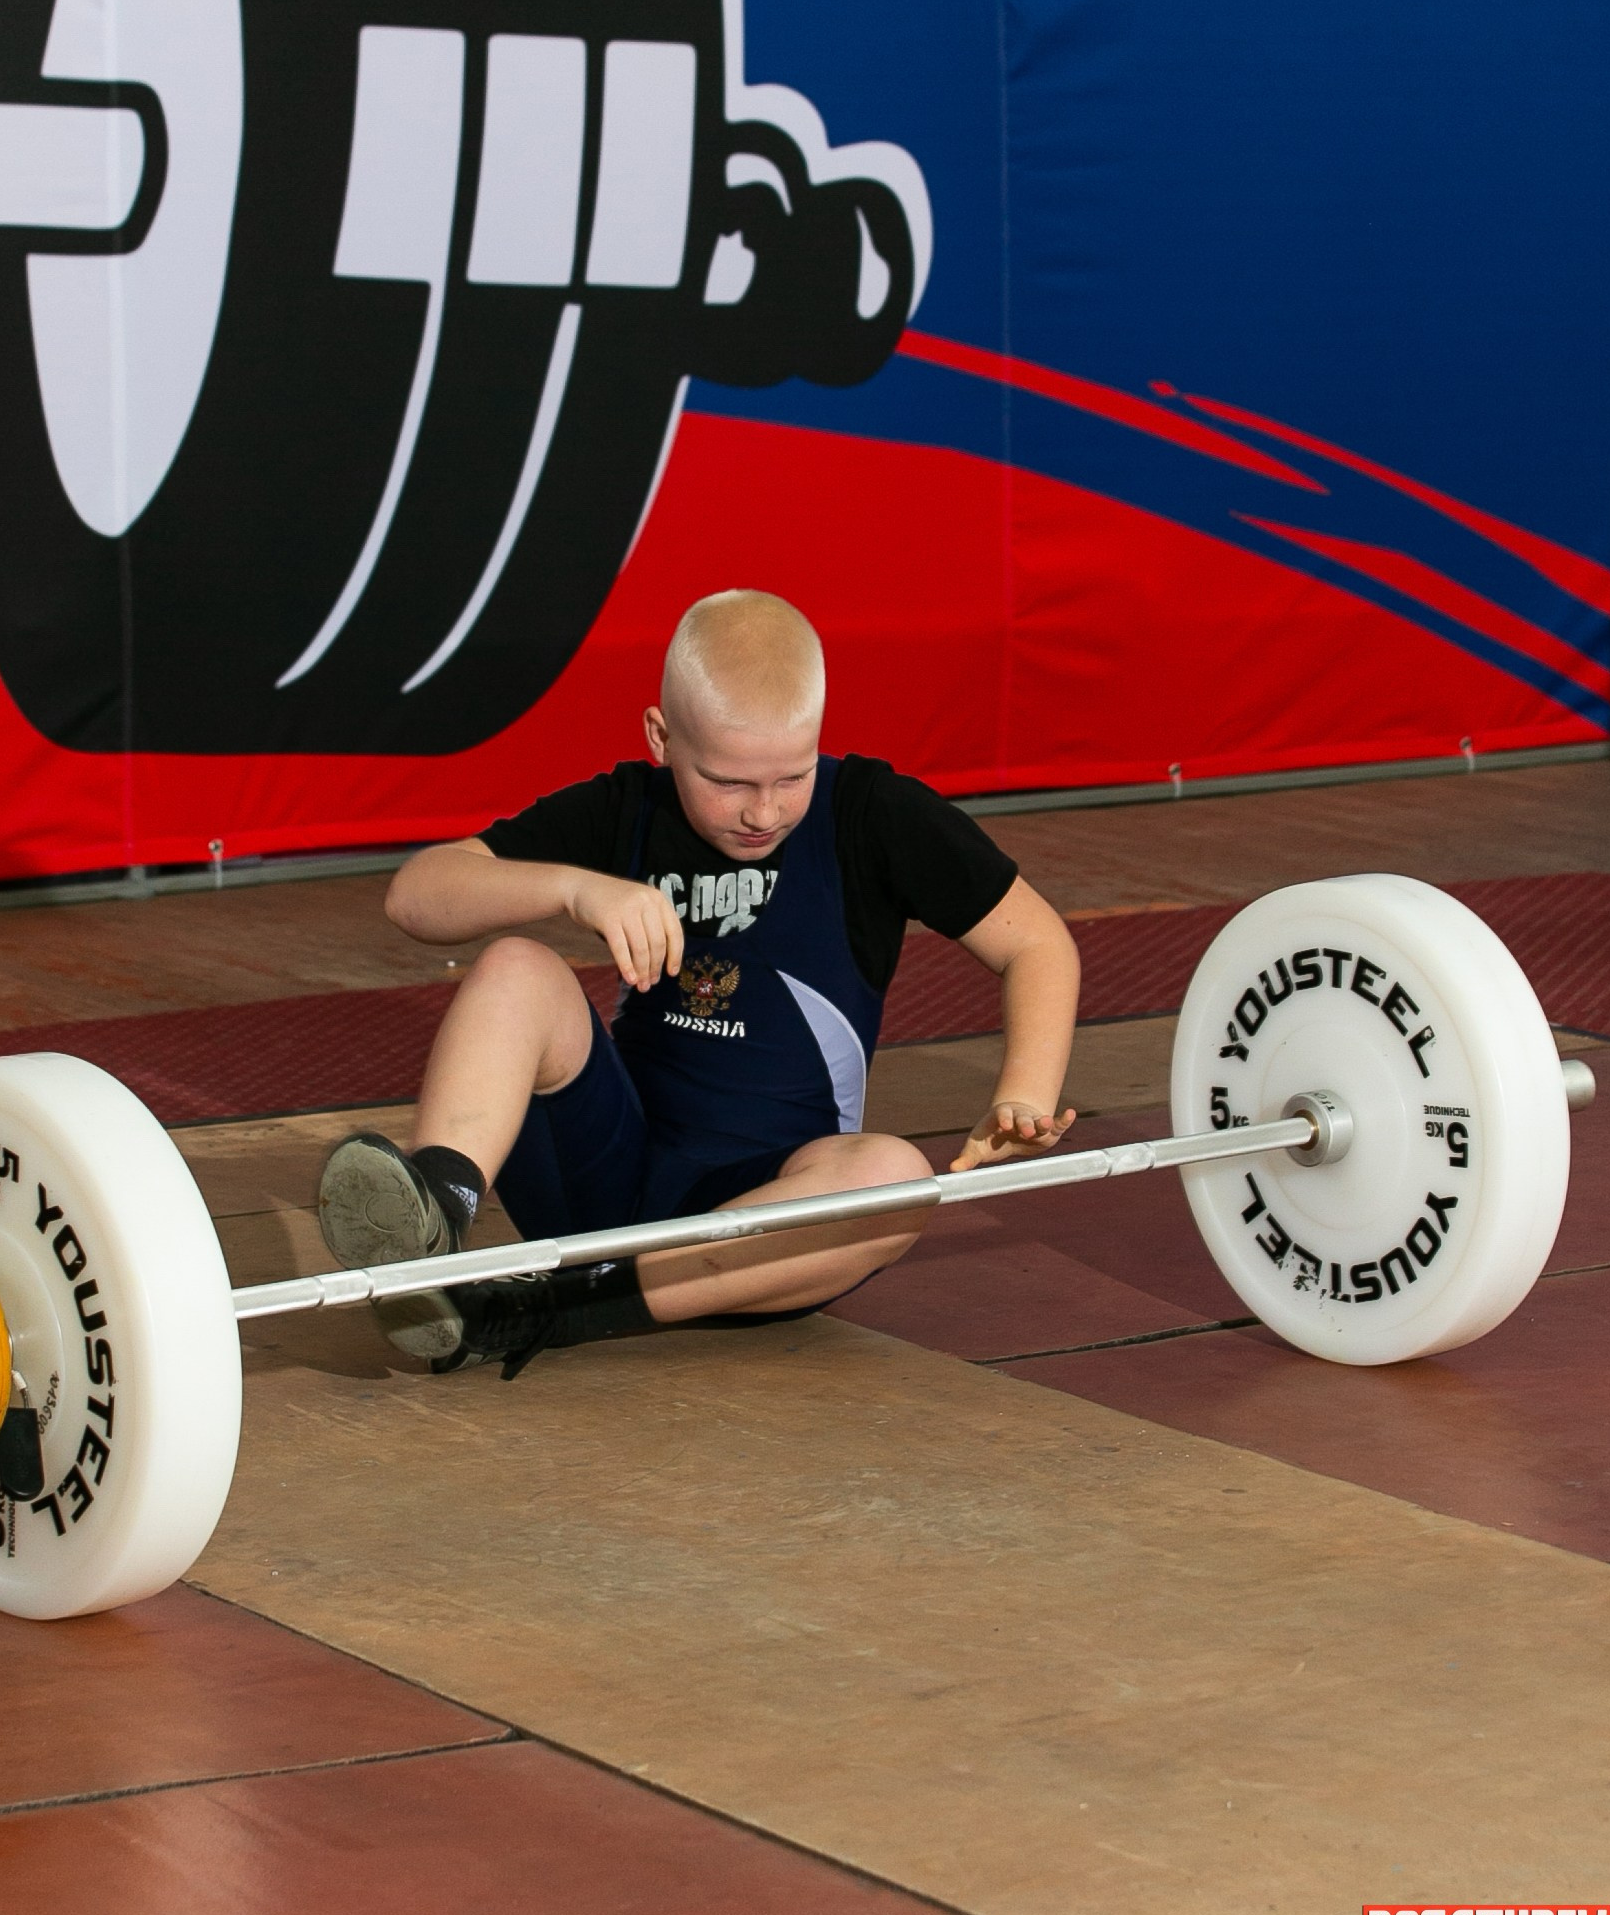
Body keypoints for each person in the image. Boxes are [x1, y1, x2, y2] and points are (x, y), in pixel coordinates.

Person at [317, 588, 1082, 1376]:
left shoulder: (871, 813)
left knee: (893, 1179)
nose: (763, 812)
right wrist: (573, 889)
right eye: (726, 781)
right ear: (660, 736)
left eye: (791, 776)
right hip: (608, 1181)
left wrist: (1021, 1091)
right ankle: (436, 1215)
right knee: (517, 966)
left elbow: (1039, 946)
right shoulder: (628, 807)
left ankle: (538, 1310)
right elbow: (416, 893)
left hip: (767, 1226)